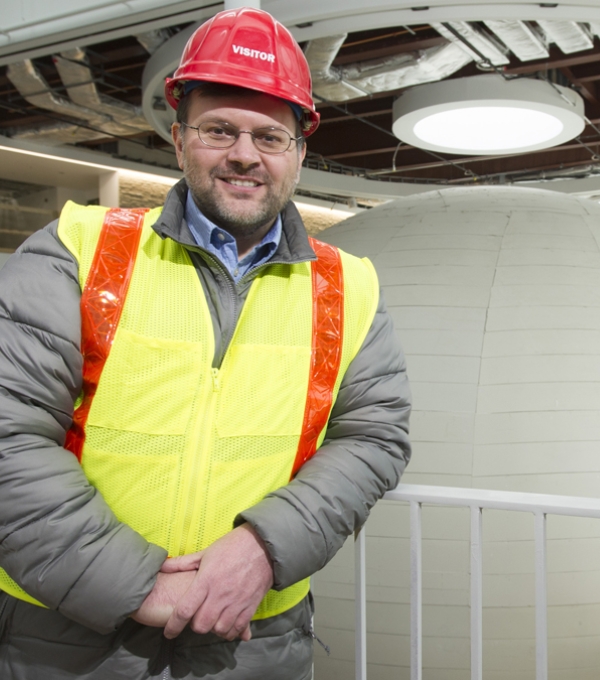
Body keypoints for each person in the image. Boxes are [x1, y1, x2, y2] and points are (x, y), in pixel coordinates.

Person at [0, 8, 411, 679]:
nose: (245, 154)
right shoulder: (77, 249)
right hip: (66, 640)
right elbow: (7, 433)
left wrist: (261, 549)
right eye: (220, 130)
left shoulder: (349, 286)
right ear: (180, 139)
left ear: (299, 154)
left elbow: (373, 436)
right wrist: (139, 586)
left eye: (270, 137)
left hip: (252, 639)